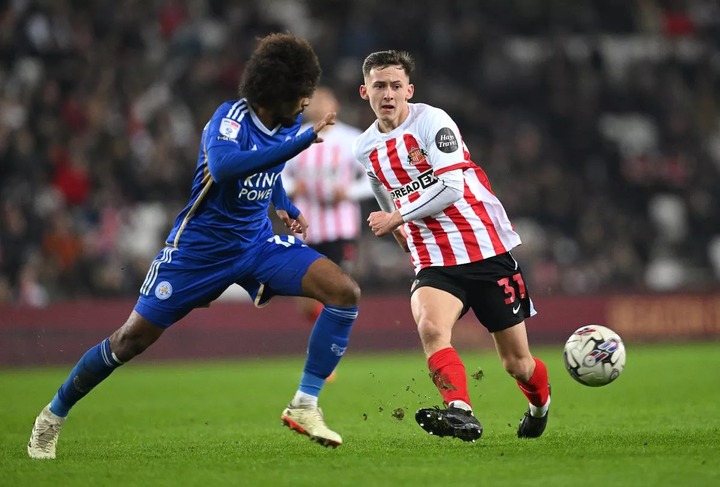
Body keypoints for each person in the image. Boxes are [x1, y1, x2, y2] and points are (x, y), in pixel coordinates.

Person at [27, 33, 361, 459]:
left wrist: (284, 204)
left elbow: (271, 166)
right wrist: (299, 143)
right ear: (277, 90)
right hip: (199, 252)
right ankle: (52, 416)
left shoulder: (288, 122)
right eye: (301, 93)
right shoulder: (229, 119)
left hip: (256, 243)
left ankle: (305, 403)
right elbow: (224, 167)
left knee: (344, 292)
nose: (305, 102)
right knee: (130, 340)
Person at [353, 50, 550, 442]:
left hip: (484, 247)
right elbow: (381, 187)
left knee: (518, 364)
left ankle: (539, 406)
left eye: (396, 85)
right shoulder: (365, 147)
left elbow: (451, 188)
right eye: (379, 86)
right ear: (365, 92)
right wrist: (398, 228)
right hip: (434, 258)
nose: (388, 93)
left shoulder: (433, 122)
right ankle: (460, 410)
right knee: (431, 327)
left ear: (409, 90)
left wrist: (396, 218)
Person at [283, 86, 372, 327]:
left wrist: (348, 192)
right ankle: (326, 330)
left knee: (338, 290)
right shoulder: (294, 138)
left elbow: (373, 179)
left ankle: (331, 341)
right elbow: (277, 174)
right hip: (304, 228)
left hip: (340, 229)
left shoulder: (352, 139)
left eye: (325, 99)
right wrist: (294, 186)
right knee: (304, 297)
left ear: (336, 105)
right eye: (314, 100)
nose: (320, 104)